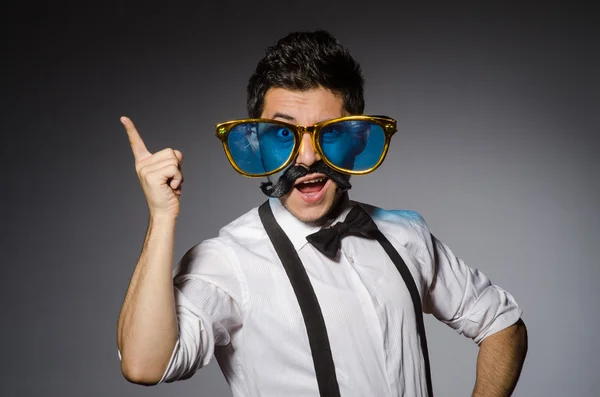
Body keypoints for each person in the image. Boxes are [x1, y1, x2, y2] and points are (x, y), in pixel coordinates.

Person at [117, 30, 528, 397]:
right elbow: (146, 366)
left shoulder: (406, 234)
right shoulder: (228, 260)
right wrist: (162, 216)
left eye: (328, 131)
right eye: (283, 133)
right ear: (258, 144)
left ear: (357, 138)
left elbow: (502, 324)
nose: (308, 157)